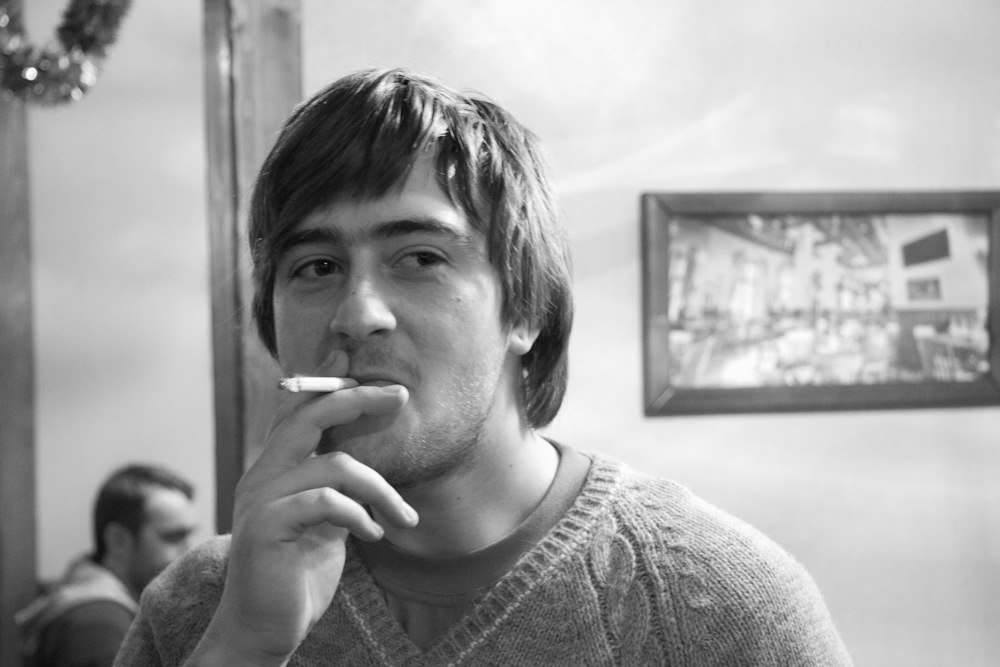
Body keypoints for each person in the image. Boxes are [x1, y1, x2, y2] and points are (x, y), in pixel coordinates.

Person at [116, 68, 852, 665]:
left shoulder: (720, 606)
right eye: (316, 266)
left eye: (420, 258)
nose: (357, 313)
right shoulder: (200, 607)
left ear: (524, 307)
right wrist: (242, 648)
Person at [17, 464, 198, 666]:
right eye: (173, 537)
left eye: (190, 535)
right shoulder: (98, 625)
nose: (190, 551)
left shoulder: (94, 601)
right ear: (117, 540)